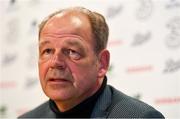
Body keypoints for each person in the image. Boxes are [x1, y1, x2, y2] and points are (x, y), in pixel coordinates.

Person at [19, 6, 164, 118]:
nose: (55, 62)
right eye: (47, 51)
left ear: (102, 63)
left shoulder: (138, 117)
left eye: (72, 51)